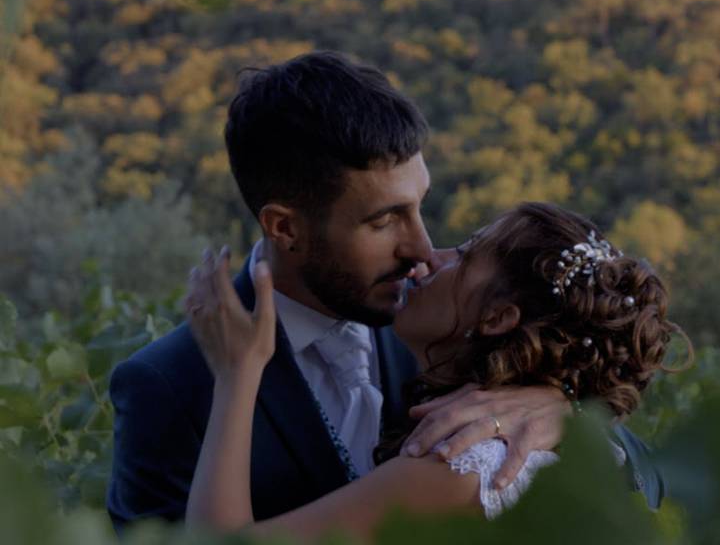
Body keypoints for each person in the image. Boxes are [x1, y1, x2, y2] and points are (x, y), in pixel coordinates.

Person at [107, 52, 574, 530]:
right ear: (285, 227)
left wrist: (559, 409)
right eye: (384, 220)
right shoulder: (165, 385)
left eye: (419, 207)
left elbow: (633, 470)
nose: (421, 248)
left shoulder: (443, 330)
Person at [184, 202, 689, 541]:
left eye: (465, 256)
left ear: (497, 318)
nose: (429, 256)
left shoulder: (461, 464)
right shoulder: (571, 448)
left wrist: (237, 373)